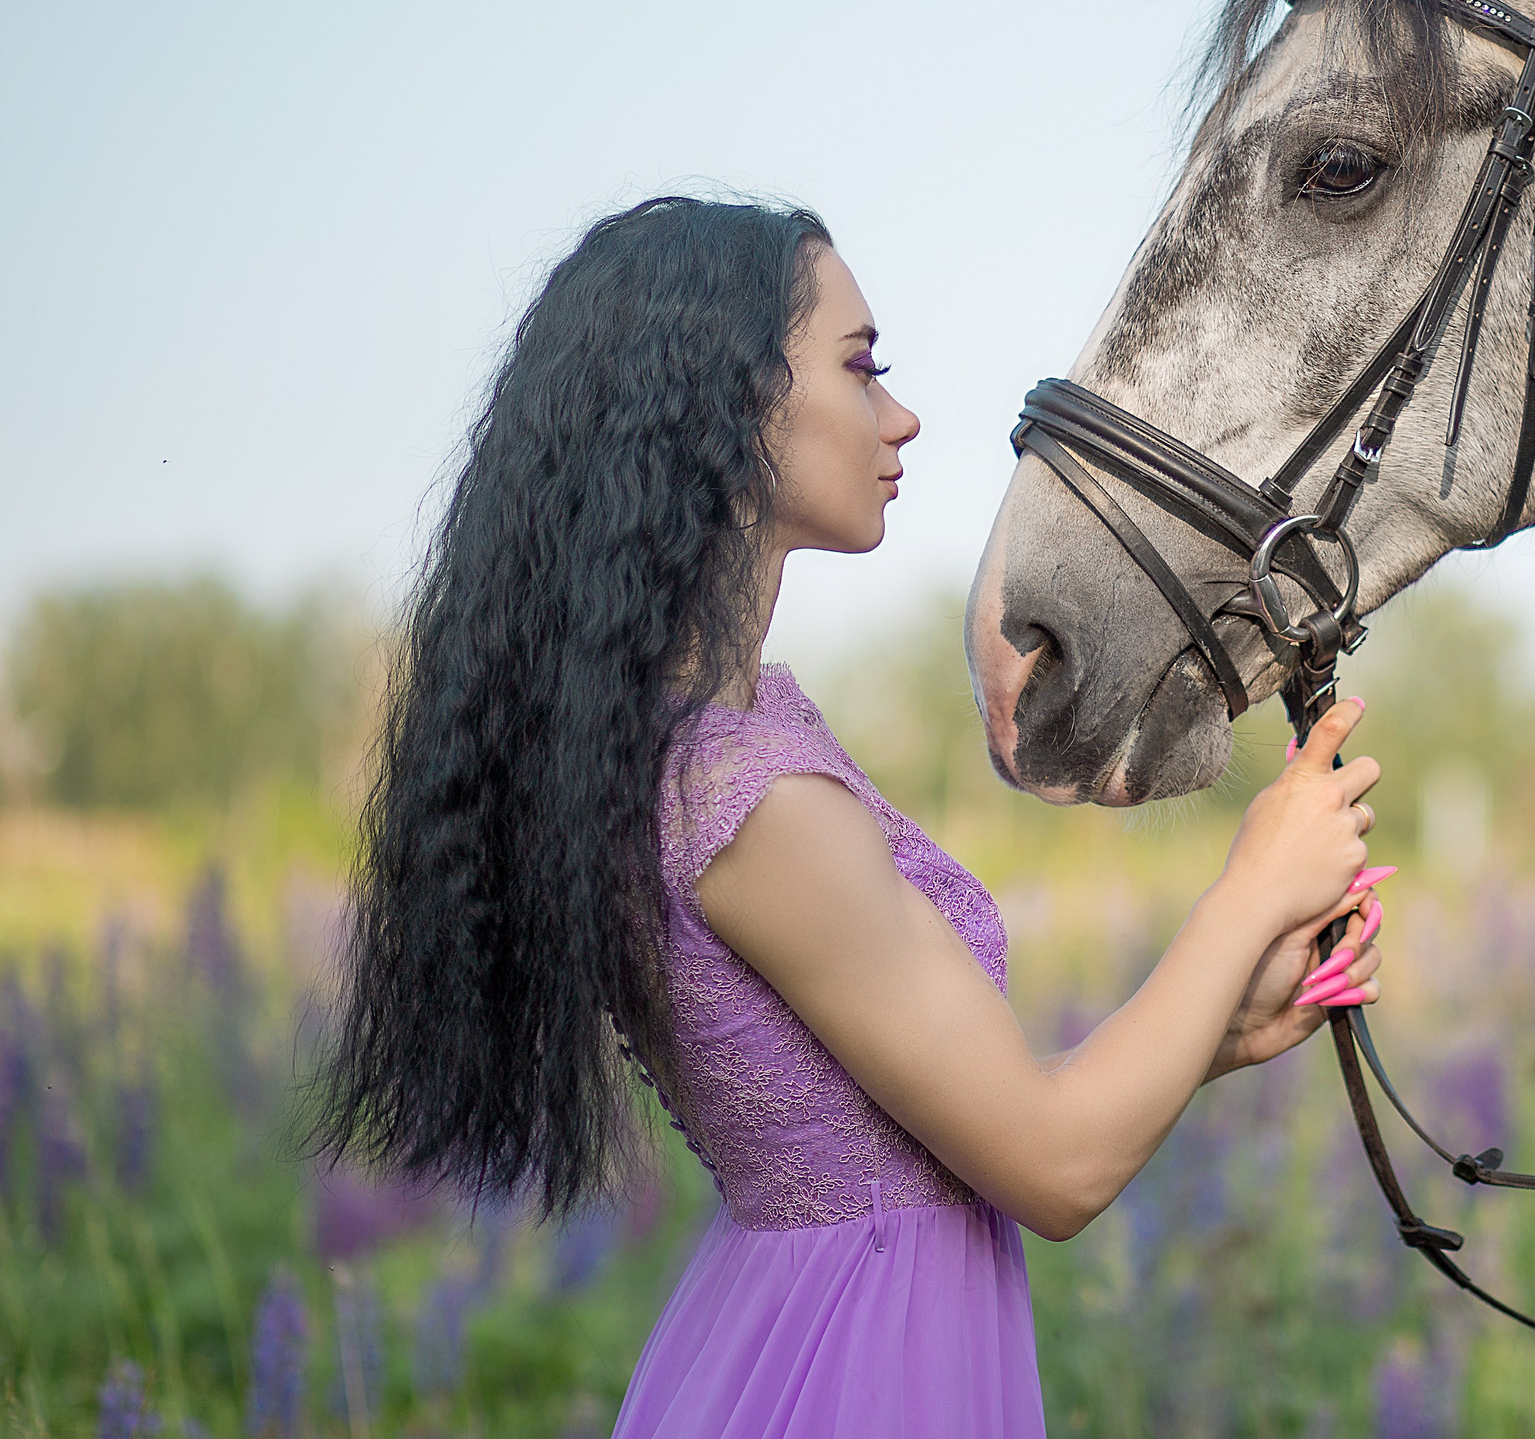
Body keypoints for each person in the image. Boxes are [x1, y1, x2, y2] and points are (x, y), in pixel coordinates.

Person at [318, 197, 1388, 1434]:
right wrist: (1257, 875)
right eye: (859, 366)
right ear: (725, 407)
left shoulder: (680, 753)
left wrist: (1208, 1034)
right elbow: (1054, 1165)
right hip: (858, 1368)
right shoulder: (750, 800)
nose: (902, 413)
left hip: (798, 1329)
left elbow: (912, 1128)